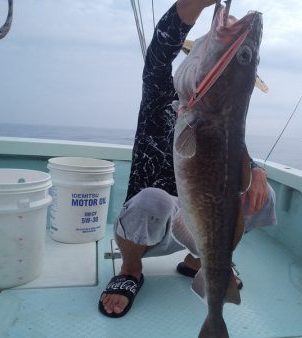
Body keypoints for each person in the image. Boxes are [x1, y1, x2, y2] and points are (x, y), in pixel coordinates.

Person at [98, 0, 277, 318]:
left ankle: (201, 263)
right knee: (154, 200)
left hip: (196, 225)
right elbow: (159, 52)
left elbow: (235, 149)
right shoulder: (159, 97)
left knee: (264, 195)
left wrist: (256, 169)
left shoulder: (220, 120)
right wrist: (191, 4)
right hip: (148, 229)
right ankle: (130, 269)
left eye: (244, 57)